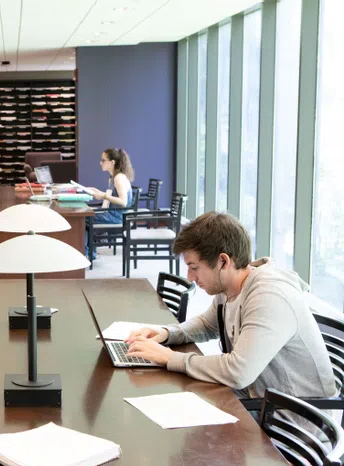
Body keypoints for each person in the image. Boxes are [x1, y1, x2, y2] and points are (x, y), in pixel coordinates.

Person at [125, 212, 337, 414]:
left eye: (194, 267)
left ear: (223, 261)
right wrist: (167, 333)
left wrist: (169, 357)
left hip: (291, 420)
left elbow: (238, 372)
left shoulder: (269, 296)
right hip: (258, 398)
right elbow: (208, 325)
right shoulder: (230, 286)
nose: (190, 277)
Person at [83, 148, 134, 259]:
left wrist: (102, 195)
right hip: (114, 214)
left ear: (112, 162)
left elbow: (123, 202)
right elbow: (111, 197)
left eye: (103, 160)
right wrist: (98, 192)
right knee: (85, 217)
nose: (100, 163)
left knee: (83, 218)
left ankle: (87, 254)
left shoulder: (119, 178)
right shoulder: (113, 177)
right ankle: (89, 254)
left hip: (119, 217)